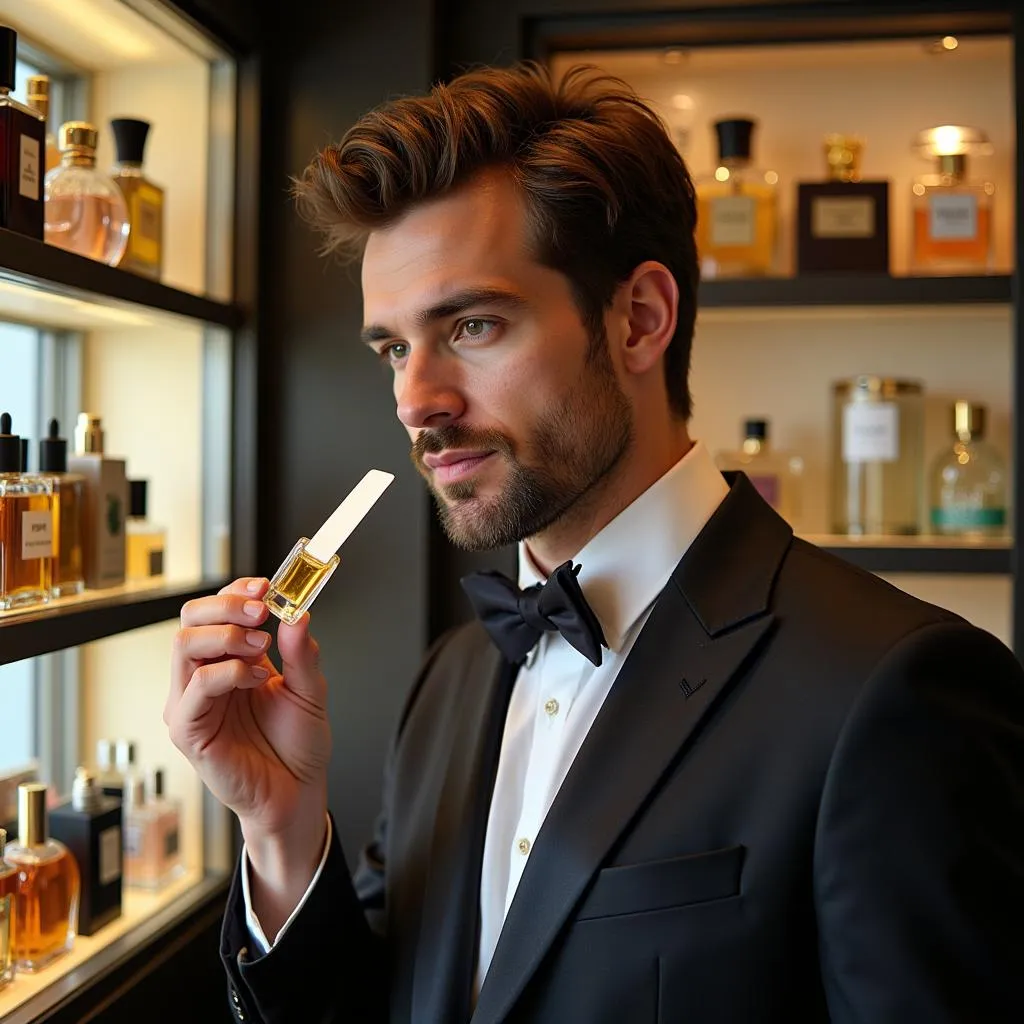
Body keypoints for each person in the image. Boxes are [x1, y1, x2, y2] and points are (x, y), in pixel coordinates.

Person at [166, 62, 1024, 1024]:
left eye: (474, 325)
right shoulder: (448, 680)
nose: (416, 402)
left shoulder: (894, 690)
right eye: (396, 348)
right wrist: (280, 833)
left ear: (639, 319)